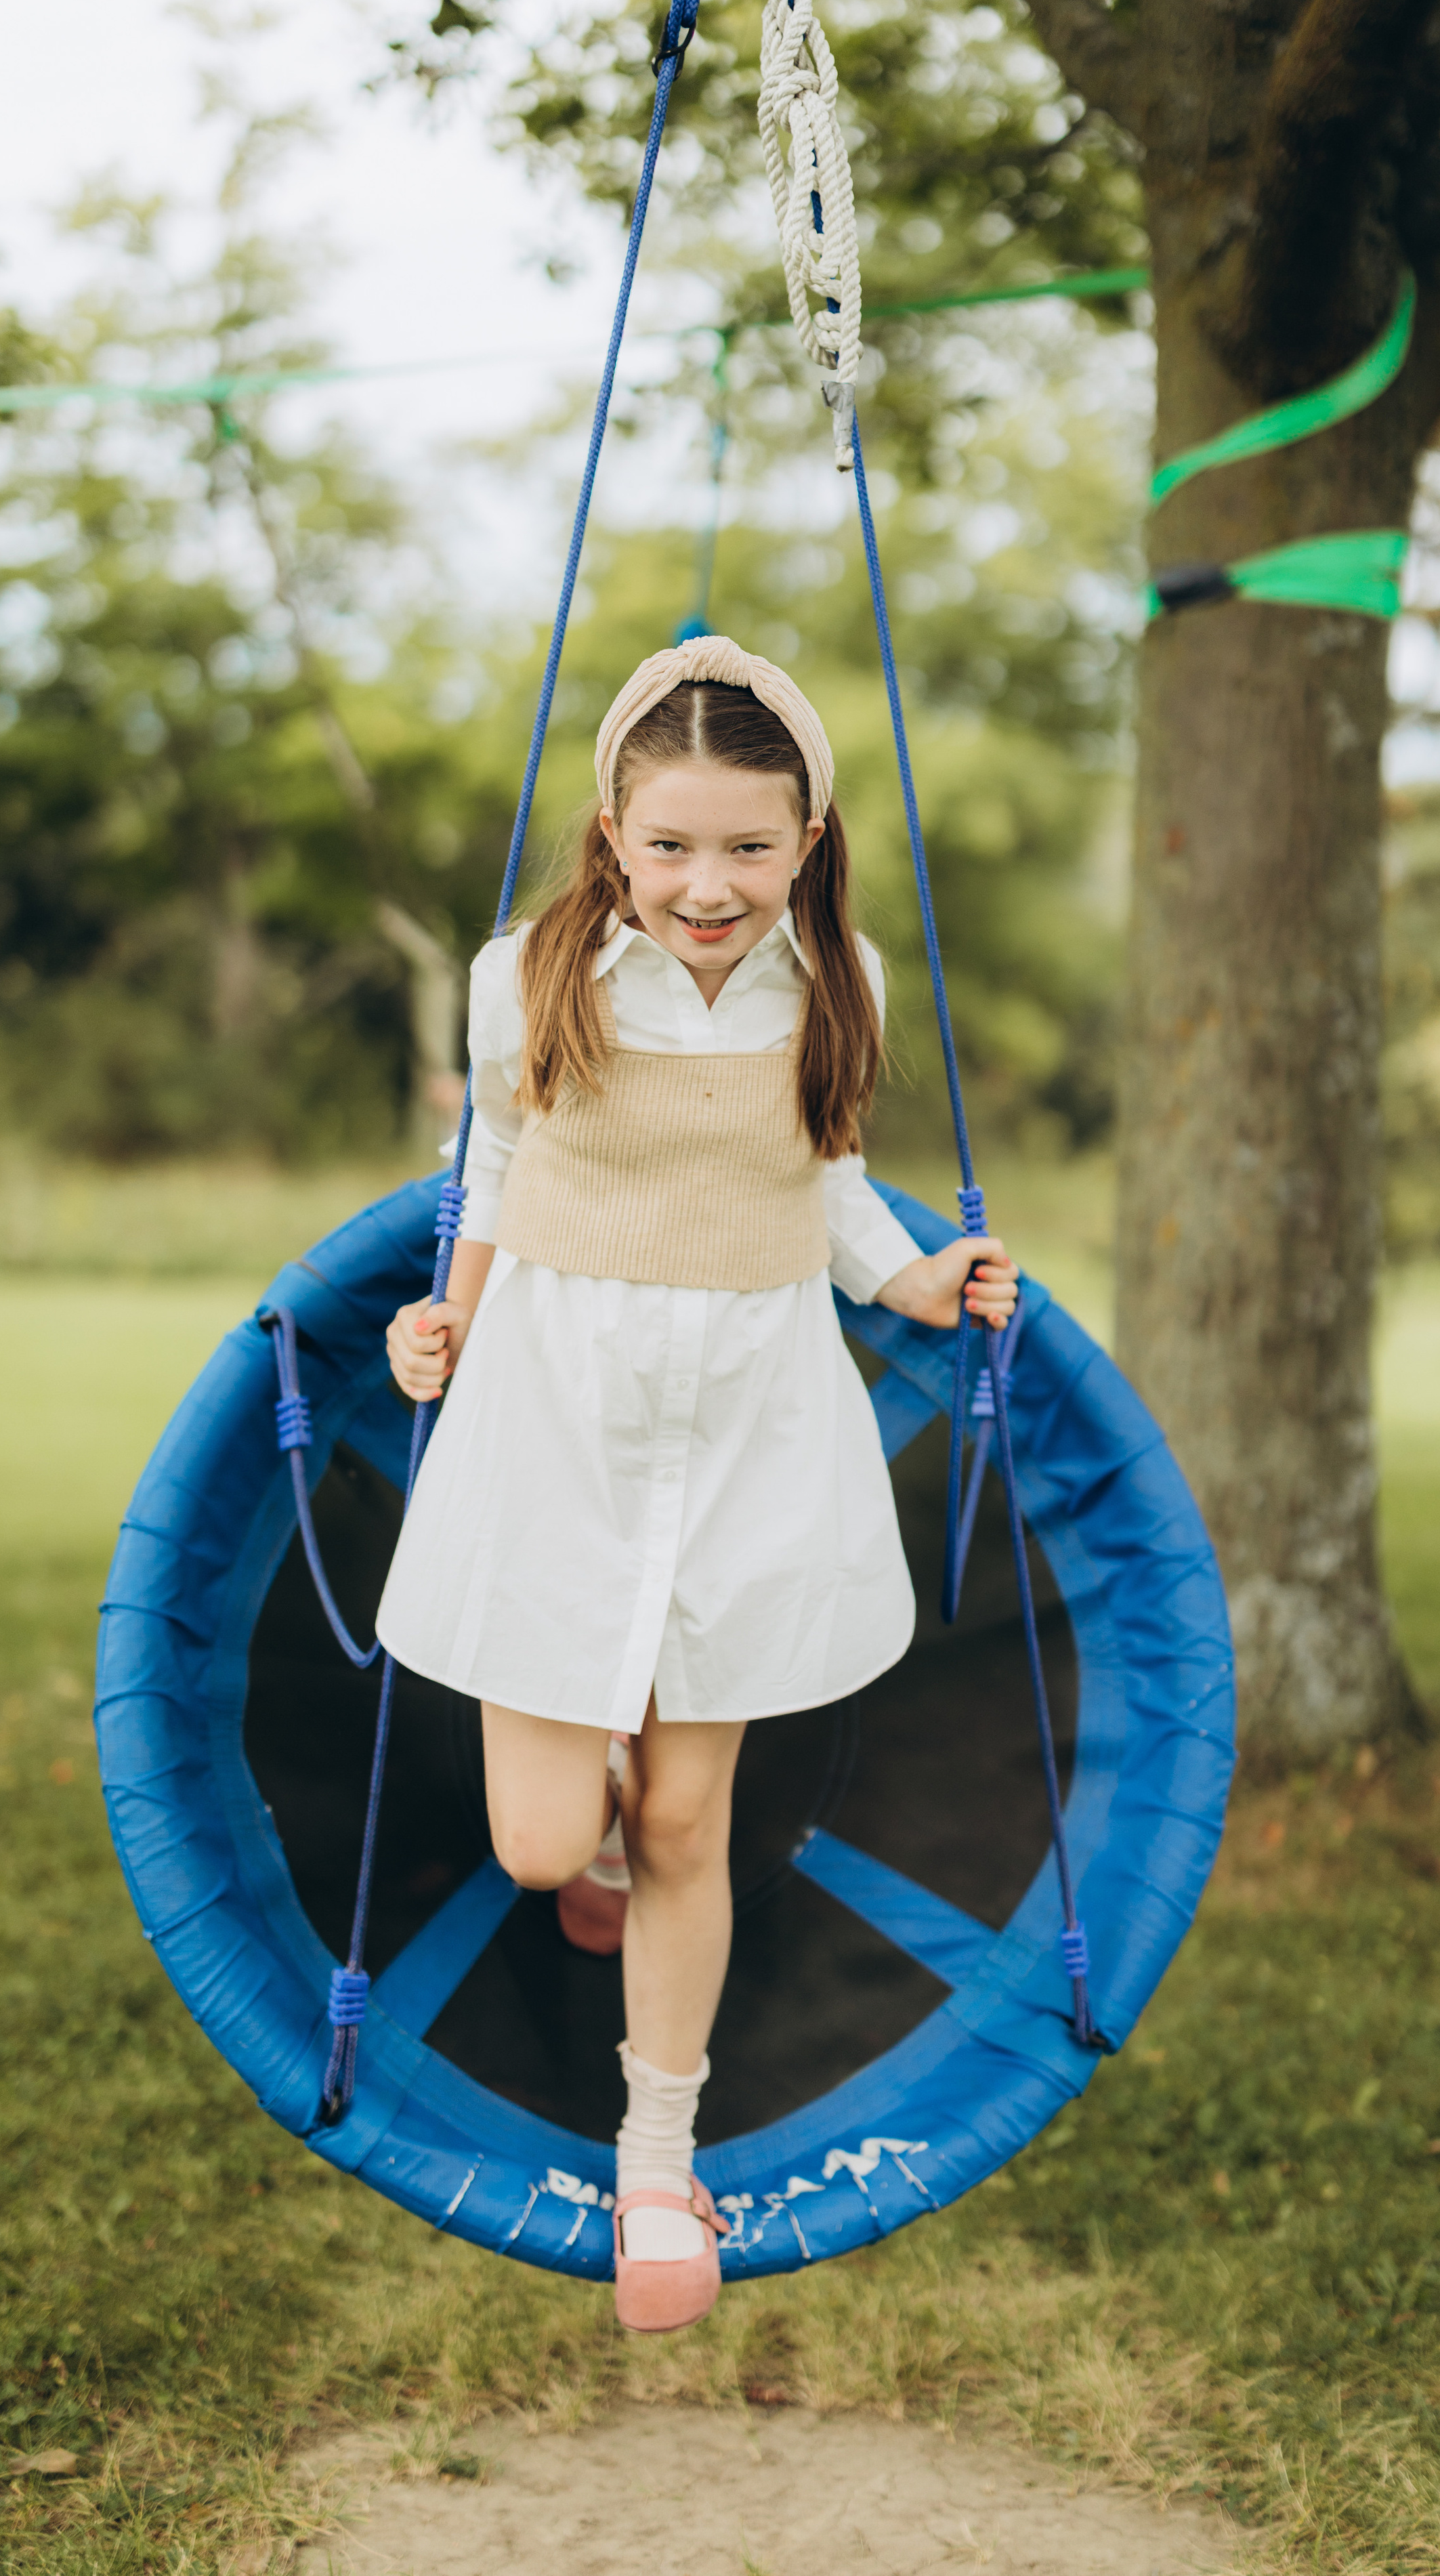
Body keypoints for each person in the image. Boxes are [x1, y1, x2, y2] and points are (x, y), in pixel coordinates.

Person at [375, 636, 1018, 2333]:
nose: (706, 884)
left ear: (806, 836)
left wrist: (917, 1280)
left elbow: (828, 1182)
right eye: (670, 845)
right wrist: (451, 1316)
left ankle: (657, 2161)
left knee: (683, 1818)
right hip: (559, 1416)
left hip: (746, 1421)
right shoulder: (525, 973)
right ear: (609, 827)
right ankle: (575, 1825)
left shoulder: (836, 975)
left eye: (747, 845)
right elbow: (497, 1168)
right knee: (540, 1843)